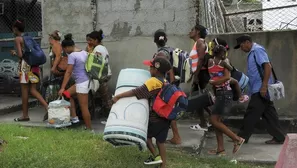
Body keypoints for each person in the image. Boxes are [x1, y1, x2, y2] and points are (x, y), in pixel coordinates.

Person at [112, 56, 172, 168]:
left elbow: (136, 92)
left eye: (151, 67)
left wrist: (118, 96)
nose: (149, 69)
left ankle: (156, 156)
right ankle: (163, 165)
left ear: (156, 70)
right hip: (165, 117)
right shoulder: (165, 81)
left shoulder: (153, 81)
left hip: (155, 118)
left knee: (146, 136)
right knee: (160, 142)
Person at [234, 34, 285, 144]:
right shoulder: (253, 52)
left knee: (251, 112)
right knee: (269, 114)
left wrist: (264, 86)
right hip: (258, 88)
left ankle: (241, 138)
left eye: (241, 45)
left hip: (261, 89)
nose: (241, 49)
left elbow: (267, 67)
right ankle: (279, 137)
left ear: (247, 42)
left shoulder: (257, 50)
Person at [207, 45, 245, 156]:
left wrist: (214, 82)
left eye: (225, 53)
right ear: (217, 53)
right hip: (220, 93)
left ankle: (237, 139)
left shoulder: (224, 62)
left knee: (214, 121)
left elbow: (227, 77)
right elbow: (215, 76)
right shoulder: (211, 61)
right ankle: (221, 149)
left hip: (225, 93)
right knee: (217, 122)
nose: (224, 55)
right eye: (223, 53)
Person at [10, 18, 48, 122]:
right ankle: (47, 107)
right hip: (34, 66)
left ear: (15, 29)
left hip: (25, 67)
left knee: (25, 91)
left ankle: (25, 115)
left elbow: (21, 55)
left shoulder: (18, 39)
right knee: (33, 89)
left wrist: (15, 53)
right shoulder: (29, 37)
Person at [58, 33, 96, 129]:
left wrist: (62, 87)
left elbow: (68, 72)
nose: (65, 52)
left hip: (82, 84)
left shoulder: (72, 55)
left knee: (84, 107)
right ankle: (74, 119)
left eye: (64, 50)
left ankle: (89, 129)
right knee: (66, 94)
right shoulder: (83, 52)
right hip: (87, 81)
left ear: (66, 48)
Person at [152, 30, 181, 145]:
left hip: (166, 84)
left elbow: (169, 68)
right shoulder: (170, 50)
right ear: (166, 39)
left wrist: (170, 82)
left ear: (154, 40)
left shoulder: (161, 53)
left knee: (168, 110)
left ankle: (176, 137)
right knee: (167, 109)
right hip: (170, 83)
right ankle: (171, 135)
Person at [188, 24, 212, 129]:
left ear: (197, 32)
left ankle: (213, 120)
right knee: (199, 99)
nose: (190, 31)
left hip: (201, 74)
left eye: (192, 29)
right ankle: (207, 121)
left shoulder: (200, 42)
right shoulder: (198, 43)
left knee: (200, 99)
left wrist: (196, 76)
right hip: (199, 74)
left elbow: (201, 59)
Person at [87, 30, 112, 113]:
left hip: (100, 75)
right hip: (104, 74)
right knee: (104, 95)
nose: (89, 42)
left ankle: (110, 113)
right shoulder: (102, 48)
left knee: (105, 96)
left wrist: (89, 52)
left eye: (90, 40)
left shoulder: (98, 49)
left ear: (96, 40)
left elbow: (96, 62)